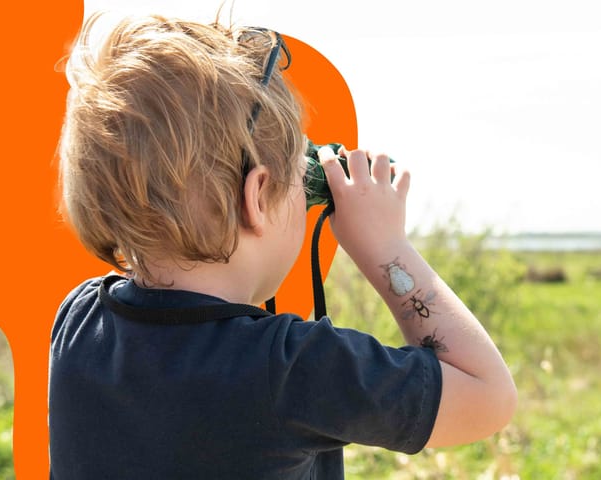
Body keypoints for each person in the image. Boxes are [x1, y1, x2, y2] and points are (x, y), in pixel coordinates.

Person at [49, 12, 517, 480]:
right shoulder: (289, 369)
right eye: (302, 176)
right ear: (256, 197)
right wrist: (385, 245)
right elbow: (487, 396)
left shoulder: (78, 323)